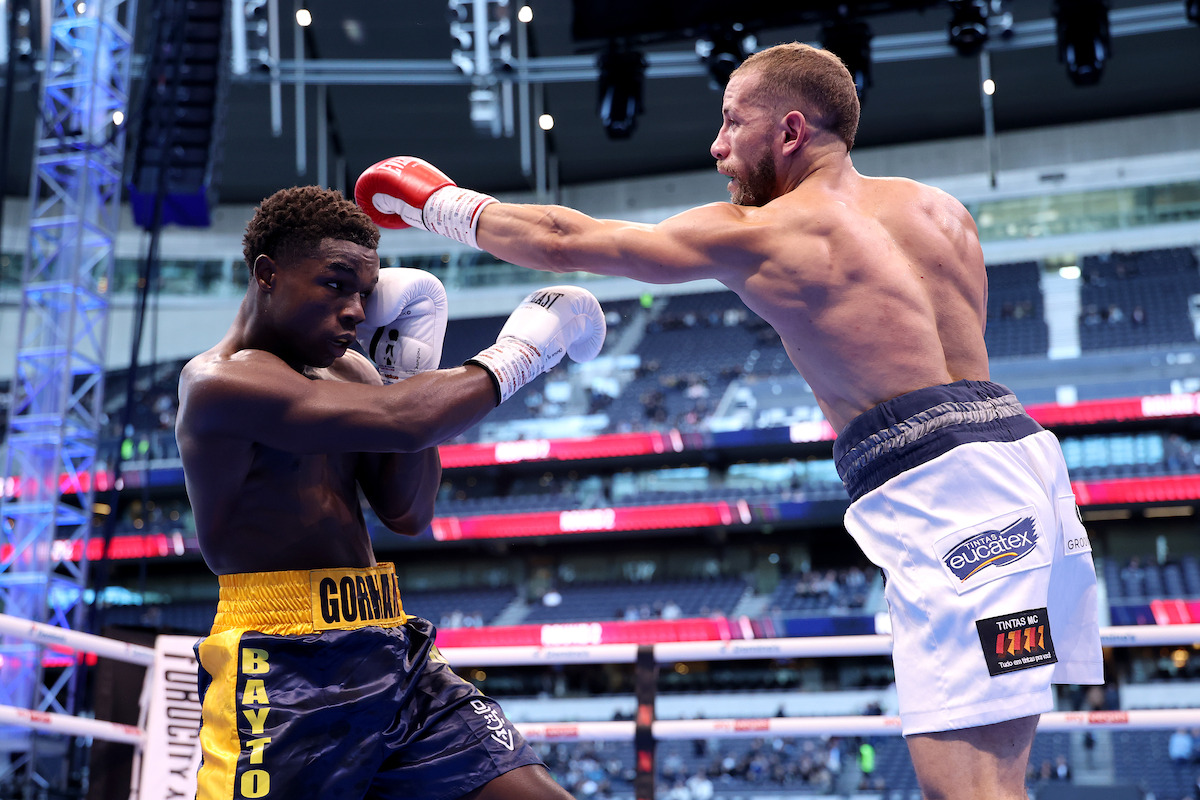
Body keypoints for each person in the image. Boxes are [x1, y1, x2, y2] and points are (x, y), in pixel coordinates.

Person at [353, 40, 1105, 800]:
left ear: (789, 131)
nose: (716, 146)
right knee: (1001, 774)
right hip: (1025, 474)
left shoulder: (771, 232)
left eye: (729, 122)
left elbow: (562, 238)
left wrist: (432, 202)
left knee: (964, 787)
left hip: (949, 505)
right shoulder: (939, 209)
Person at [175, 185, 604, 800]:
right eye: (334, 283)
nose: (354, 309)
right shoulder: (220, 381)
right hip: (283, 662)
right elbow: (408, 421)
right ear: (268, 274)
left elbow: (408, 512)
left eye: (364, 292)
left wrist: (408, 373)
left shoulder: (350, 372)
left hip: (389, 642)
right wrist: (522, 352)